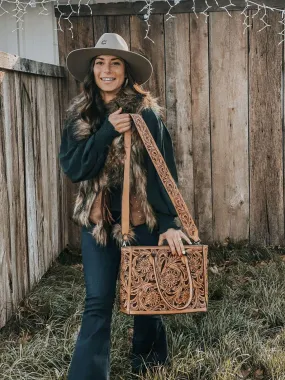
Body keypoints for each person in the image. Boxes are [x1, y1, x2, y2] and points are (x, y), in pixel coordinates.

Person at [59, 33, 191, 380]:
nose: (107, 70)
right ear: (92, 70)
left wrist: (169, 222)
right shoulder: (80, 115)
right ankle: (87, 375)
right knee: (98, 301)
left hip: (140, 217)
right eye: (100, 63)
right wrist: (105, 132)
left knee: (147, 297)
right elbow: (75, 169)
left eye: (115, 63)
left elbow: (164, 169)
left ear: (125, 70)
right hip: (99, 221)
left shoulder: (145, 114)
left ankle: (148, 365)